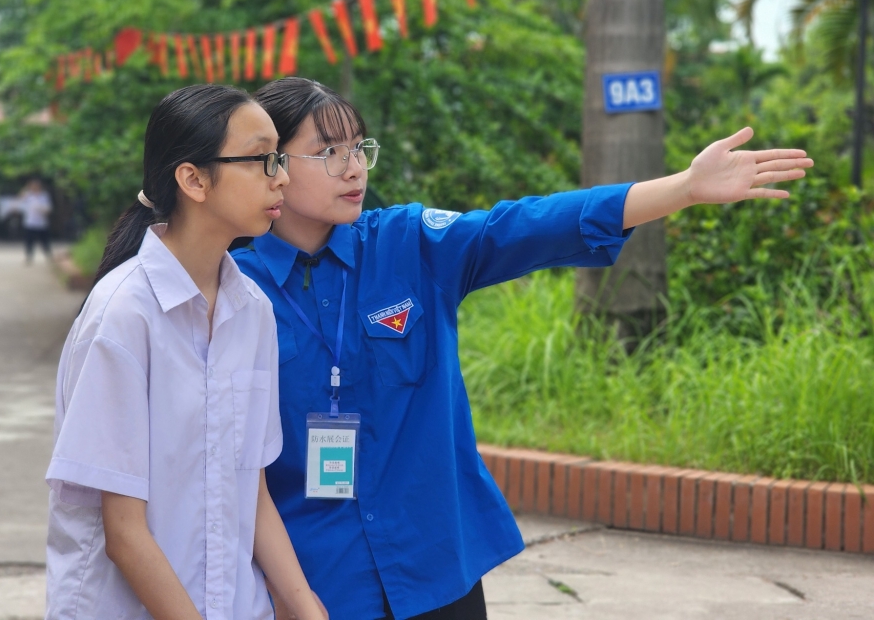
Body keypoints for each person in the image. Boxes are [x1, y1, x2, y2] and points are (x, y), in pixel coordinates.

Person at [232, 77, 814, 620]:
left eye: (360, 148)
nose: (354, 167)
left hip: (435, 566)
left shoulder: (408, 244)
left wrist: (682, 188)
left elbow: (521, 226)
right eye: (329, 152)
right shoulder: (233, 286)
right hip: (315, 578)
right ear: (274, 164)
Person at [45, 85, 327, 620]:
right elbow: (124, 534)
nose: (282, 177)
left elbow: (251, 488)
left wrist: (302, 604)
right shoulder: (123, 314)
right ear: (193, 179)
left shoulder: (252, 310)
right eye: (263, 159)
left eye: (280, 159)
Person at [19, 178, 53, 264]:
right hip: (30, 222)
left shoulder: (44, 196)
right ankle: (29, 257)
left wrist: (43, 209)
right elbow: (20, 197)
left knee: (45, 241)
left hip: (41, 222)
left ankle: (49, 256)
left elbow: (48, 208)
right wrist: (27, 189)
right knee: (29, 242)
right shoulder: (28, 195)